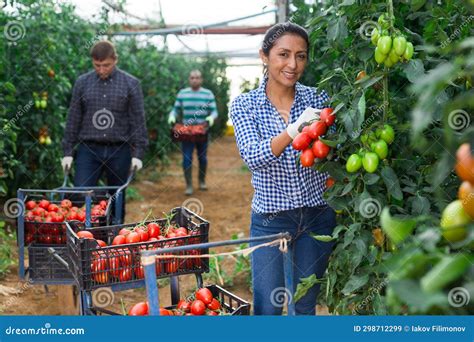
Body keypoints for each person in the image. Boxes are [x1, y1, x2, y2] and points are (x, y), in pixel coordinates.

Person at [230, 22, 336, 315]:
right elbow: (253, 156)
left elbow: (336, 150)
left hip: (317, 215)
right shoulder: (245, 105)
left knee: (304, 304)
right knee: (268, 304)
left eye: (301, 56)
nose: (292, 64)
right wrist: (292, 130)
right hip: (271, 219)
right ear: (264, 56)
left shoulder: (318, 99)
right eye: (283, 54)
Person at [61, 40, 148, 222]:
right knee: (81, 195)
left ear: (115, 60)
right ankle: (82, 242)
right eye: (97, 65)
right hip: (88, 149)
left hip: (119, 150)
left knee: (116, 198)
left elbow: (137, 120)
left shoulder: (130, 83)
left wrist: (138, 153)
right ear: (93, 61)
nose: (101, 69)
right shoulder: (82, 83)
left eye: (106, 65)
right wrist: (67, 151)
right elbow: (74, 118)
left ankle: (115, 239)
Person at [168, 70, 218, 195]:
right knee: (186, 158)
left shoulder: (208, 94)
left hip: (202, 130)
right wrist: (172, 116)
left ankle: (201, 181)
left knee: (202, 158)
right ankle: (189, 185)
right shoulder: (182, 94)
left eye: (197, 78)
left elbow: (214, 111)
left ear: (201, 80)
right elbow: (175, 109)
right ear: (189, 79)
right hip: (187, 132)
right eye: (192, 78)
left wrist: (210, 118)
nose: (194, 80)